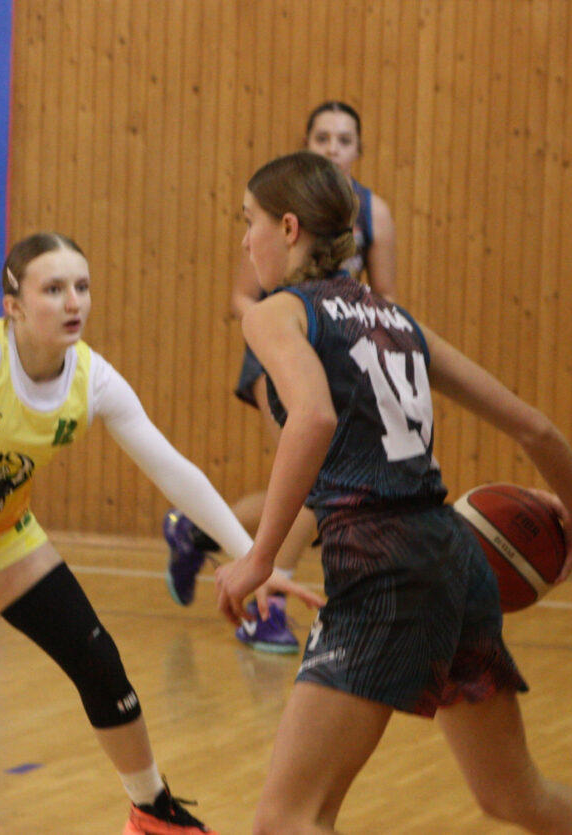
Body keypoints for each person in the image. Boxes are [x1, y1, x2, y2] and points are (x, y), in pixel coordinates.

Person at [0, 232, 323, 835]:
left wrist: (254, 558)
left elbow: (176, 473)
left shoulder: (94, 381)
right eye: (54, 289)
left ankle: (152, 810)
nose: (73, 302)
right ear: (13, 305)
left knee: (97, 659)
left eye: (82, 287)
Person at [214, 150, 572, 834]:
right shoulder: (395, 320)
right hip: (454, 557)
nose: (244, 240)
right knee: (516, 794)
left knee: (286, 820)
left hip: (382, 569)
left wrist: (260, 558)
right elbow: (534, 426)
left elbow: (312, 417)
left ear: (288, 228)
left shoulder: (276, 314)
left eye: (247, 220)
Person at [165, 101, 396, 654]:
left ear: (359, 151)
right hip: (283, 348)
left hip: (337, 354)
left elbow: (385, 298)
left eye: (344, 138)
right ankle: (267, 607)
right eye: (322, 137)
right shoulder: (275, 212)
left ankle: (197, 528)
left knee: (297, 485)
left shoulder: (374, 212)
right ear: (307, 145)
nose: (333, 147)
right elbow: (243, 295)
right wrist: (283, 333)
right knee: (313, 483)